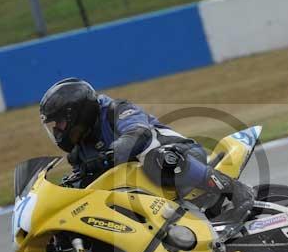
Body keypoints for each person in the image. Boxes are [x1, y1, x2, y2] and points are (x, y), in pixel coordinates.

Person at [39, 78, 254, 238]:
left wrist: (118, 150)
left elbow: (137, 131)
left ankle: (234, 189)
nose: (57, 131)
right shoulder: (79, 153)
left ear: (76, 113)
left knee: (157, 159)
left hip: (180, 155)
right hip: (147, 192)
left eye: (59, 123)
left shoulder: (116, 110)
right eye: (53, 126)